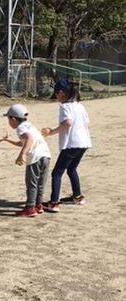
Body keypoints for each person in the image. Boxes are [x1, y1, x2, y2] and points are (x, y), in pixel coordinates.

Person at [41, 79, 92, 213]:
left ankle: (54, 203)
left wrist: (51, 132)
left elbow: (68, 123)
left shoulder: (65, 107)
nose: (56, 97)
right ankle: (78, 196)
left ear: (62, 93)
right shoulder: (79, 105)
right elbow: (88, 124)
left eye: (56, 94)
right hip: (84, 143)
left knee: (57, 173)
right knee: (71, 169)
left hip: (72, 144)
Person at [0, 104, 51, 217]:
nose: (8, 122)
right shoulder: (29, 126)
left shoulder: (20, 128)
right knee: (40, 184)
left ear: (13, 119)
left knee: (31, 183)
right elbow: (24, 143)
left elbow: (29, 139)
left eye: (8, 119)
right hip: (46, 155)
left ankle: (30, 208)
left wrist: (21, 154)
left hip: (35, 158)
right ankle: (38, 205)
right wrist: (9, 140)